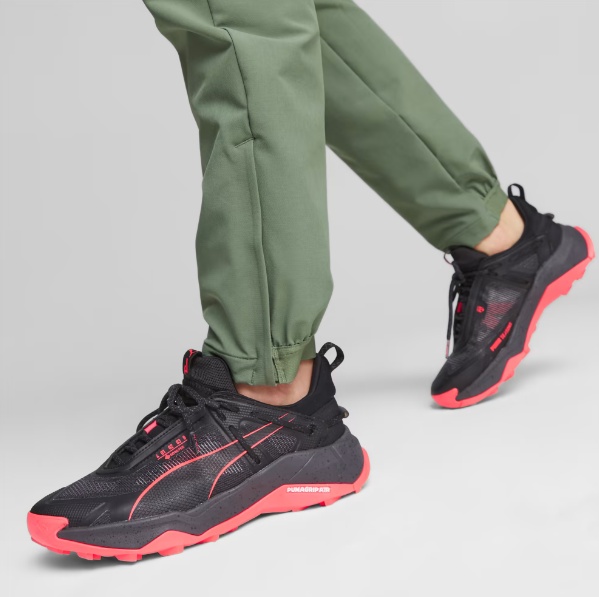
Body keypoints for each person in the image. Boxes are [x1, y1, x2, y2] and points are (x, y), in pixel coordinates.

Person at [26, 0, 594, 561]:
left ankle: (268, 389)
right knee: (276, 12)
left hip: (267, 393)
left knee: (237, 15)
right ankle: (495, 232)